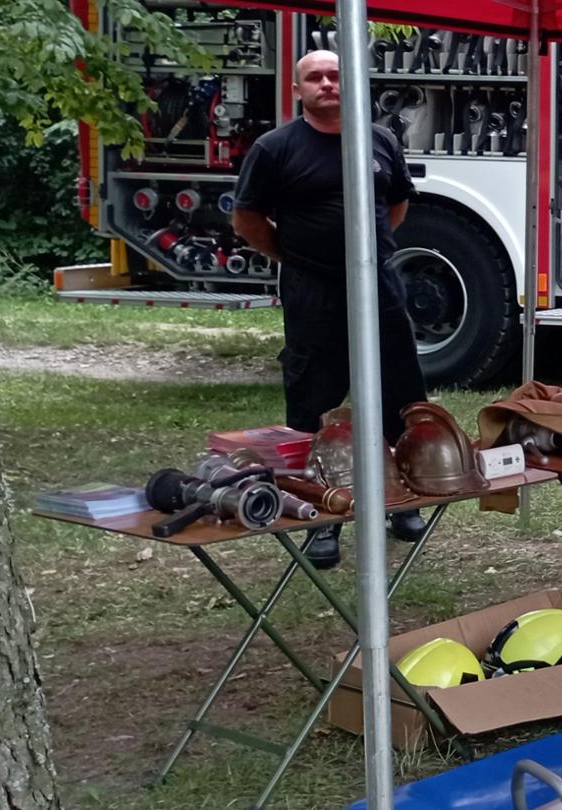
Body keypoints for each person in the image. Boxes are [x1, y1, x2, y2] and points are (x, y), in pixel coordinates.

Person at [232, 50, 429, 569]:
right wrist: (293, 256)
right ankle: (320, 518)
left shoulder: (380, 140)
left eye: (336, 76)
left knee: (399, 396)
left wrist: (367, 254)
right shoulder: (276, 148)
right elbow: (247, 218)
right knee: (312, 404)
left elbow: (397, 203)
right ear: (298, 90)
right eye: (314, 78)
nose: (327, 84)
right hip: (314, 291)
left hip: (380, 287)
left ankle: (399, 502)